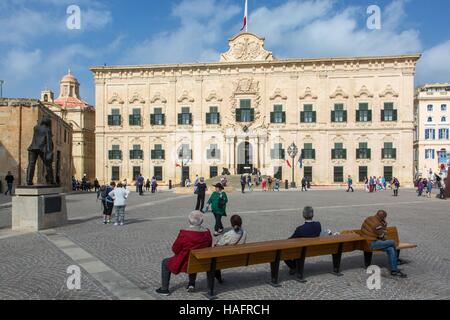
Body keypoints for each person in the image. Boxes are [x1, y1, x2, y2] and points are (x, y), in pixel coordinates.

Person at [156, 211, 212, 295]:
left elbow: (175, 249)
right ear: (202, 221)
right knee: (193, 258)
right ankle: (191, 284)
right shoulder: (207, 232)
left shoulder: (185, 233)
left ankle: (164, 289)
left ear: (189, 221)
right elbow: (209, 246)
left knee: (165, 263)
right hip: (198, 260)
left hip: (185, 261)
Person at [360, 210, 407, 278]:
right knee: (393, 242)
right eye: (385, 218)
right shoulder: (377, 224)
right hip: (371, 243)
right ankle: (396, 260)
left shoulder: (369, 218)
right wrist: (384, 226)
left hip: (366, 242)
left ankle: (394, 270)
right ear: (383, 217)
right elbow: (382, 236)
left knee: (390, 249)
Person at [284, 207, 322, 274]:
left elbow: (291, 239)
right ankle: (295, 265)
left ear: (303, 215)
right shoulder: (318, 225)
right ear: (313, 215)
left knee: (283, 252)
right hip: (314, 249)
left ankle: (293, 267)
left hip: (302, 250)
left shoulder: (300, 229)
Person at [214, 215, 247, 283]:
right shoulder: (244, 232)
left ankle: (218, 277)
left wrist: (215, 244)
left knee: (214, 258)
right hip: (240, 256)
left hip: (226, 258)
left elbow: (219, 245)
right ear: (241, 223)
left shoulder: (228, 234)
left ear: (231, 224)